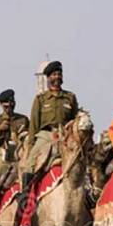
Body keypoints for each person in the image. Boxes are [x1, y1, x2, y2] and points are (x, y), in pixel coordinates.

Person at [22, 61, 78, 195]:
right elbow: (34, 125)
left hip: (65, 136)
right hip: (46, 136)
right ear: (48, 78)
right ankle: (25, 195)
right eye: (54, 74)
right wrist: (30, 146)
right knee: (30, 163)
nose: (57, 77)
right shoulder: (41, 99)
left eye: (59, 74)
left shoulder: (70, 97)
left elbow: (75, 120)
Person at [0, 89, 29, 218]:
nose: (9, 107)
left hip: (19, 152)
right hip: (2, 152)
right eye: (6, 105)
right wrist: (0, 129)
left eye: (11, 103)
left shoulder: (23, 119)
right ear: (1, 105)